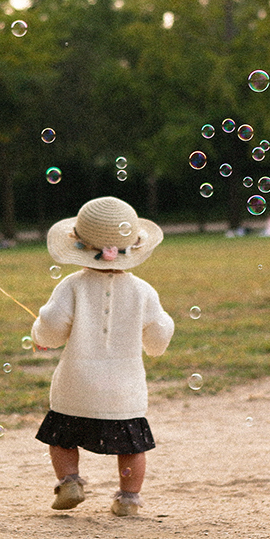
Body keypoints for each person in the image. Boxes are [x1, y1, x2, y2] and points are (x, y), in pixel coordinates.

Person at [31, 196, 175, 517]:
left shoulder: (71, 286)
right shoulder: (143, 291)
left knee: (62, 438)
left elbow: (51, 327)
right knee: (132, 447)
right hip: (124, 389)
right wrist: (155, 347)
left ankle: (69, 482)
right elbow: (159, 330)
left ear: (79, 246)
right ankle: (128, 498)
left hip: (76, 385)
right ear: (133, 247)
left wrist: (40, 334)